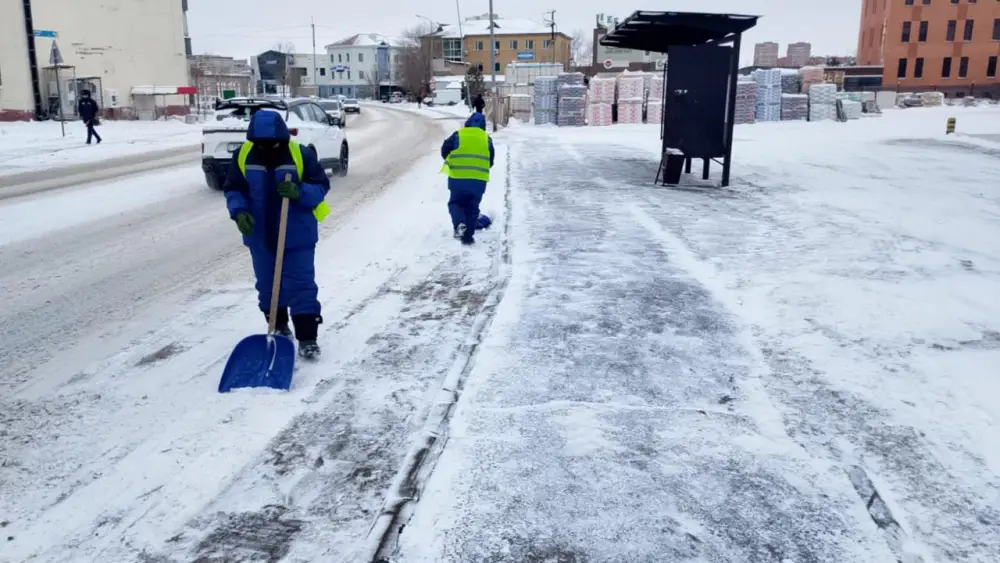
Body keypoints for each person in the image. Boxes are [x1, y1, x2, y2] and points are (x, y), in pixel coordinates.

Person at [223, 109, 331, 359]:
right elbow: (234, 189)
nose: (267, 147)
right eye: (261, 144)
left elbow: (321, 186)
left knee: (301, 285)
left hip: (298, 234)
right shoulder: (244, 155)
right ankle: (279, 327)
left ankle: (307, 337)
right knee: (268, 286)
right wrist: (239, 212)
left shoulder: (300, 153)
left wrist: (299, 192)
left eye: (272, 143)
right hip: (260, 235)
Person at [440, 112, 494, 245]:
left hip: (458, 178)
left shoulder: (458, 134)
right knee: (472, 207)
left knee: (456, 203)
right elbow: (491, 161)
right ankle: (468, 236)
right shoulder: (487, 139)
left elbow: (444, 150)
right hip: (478, 180)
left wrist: (455, 159)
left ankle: (460, 224)